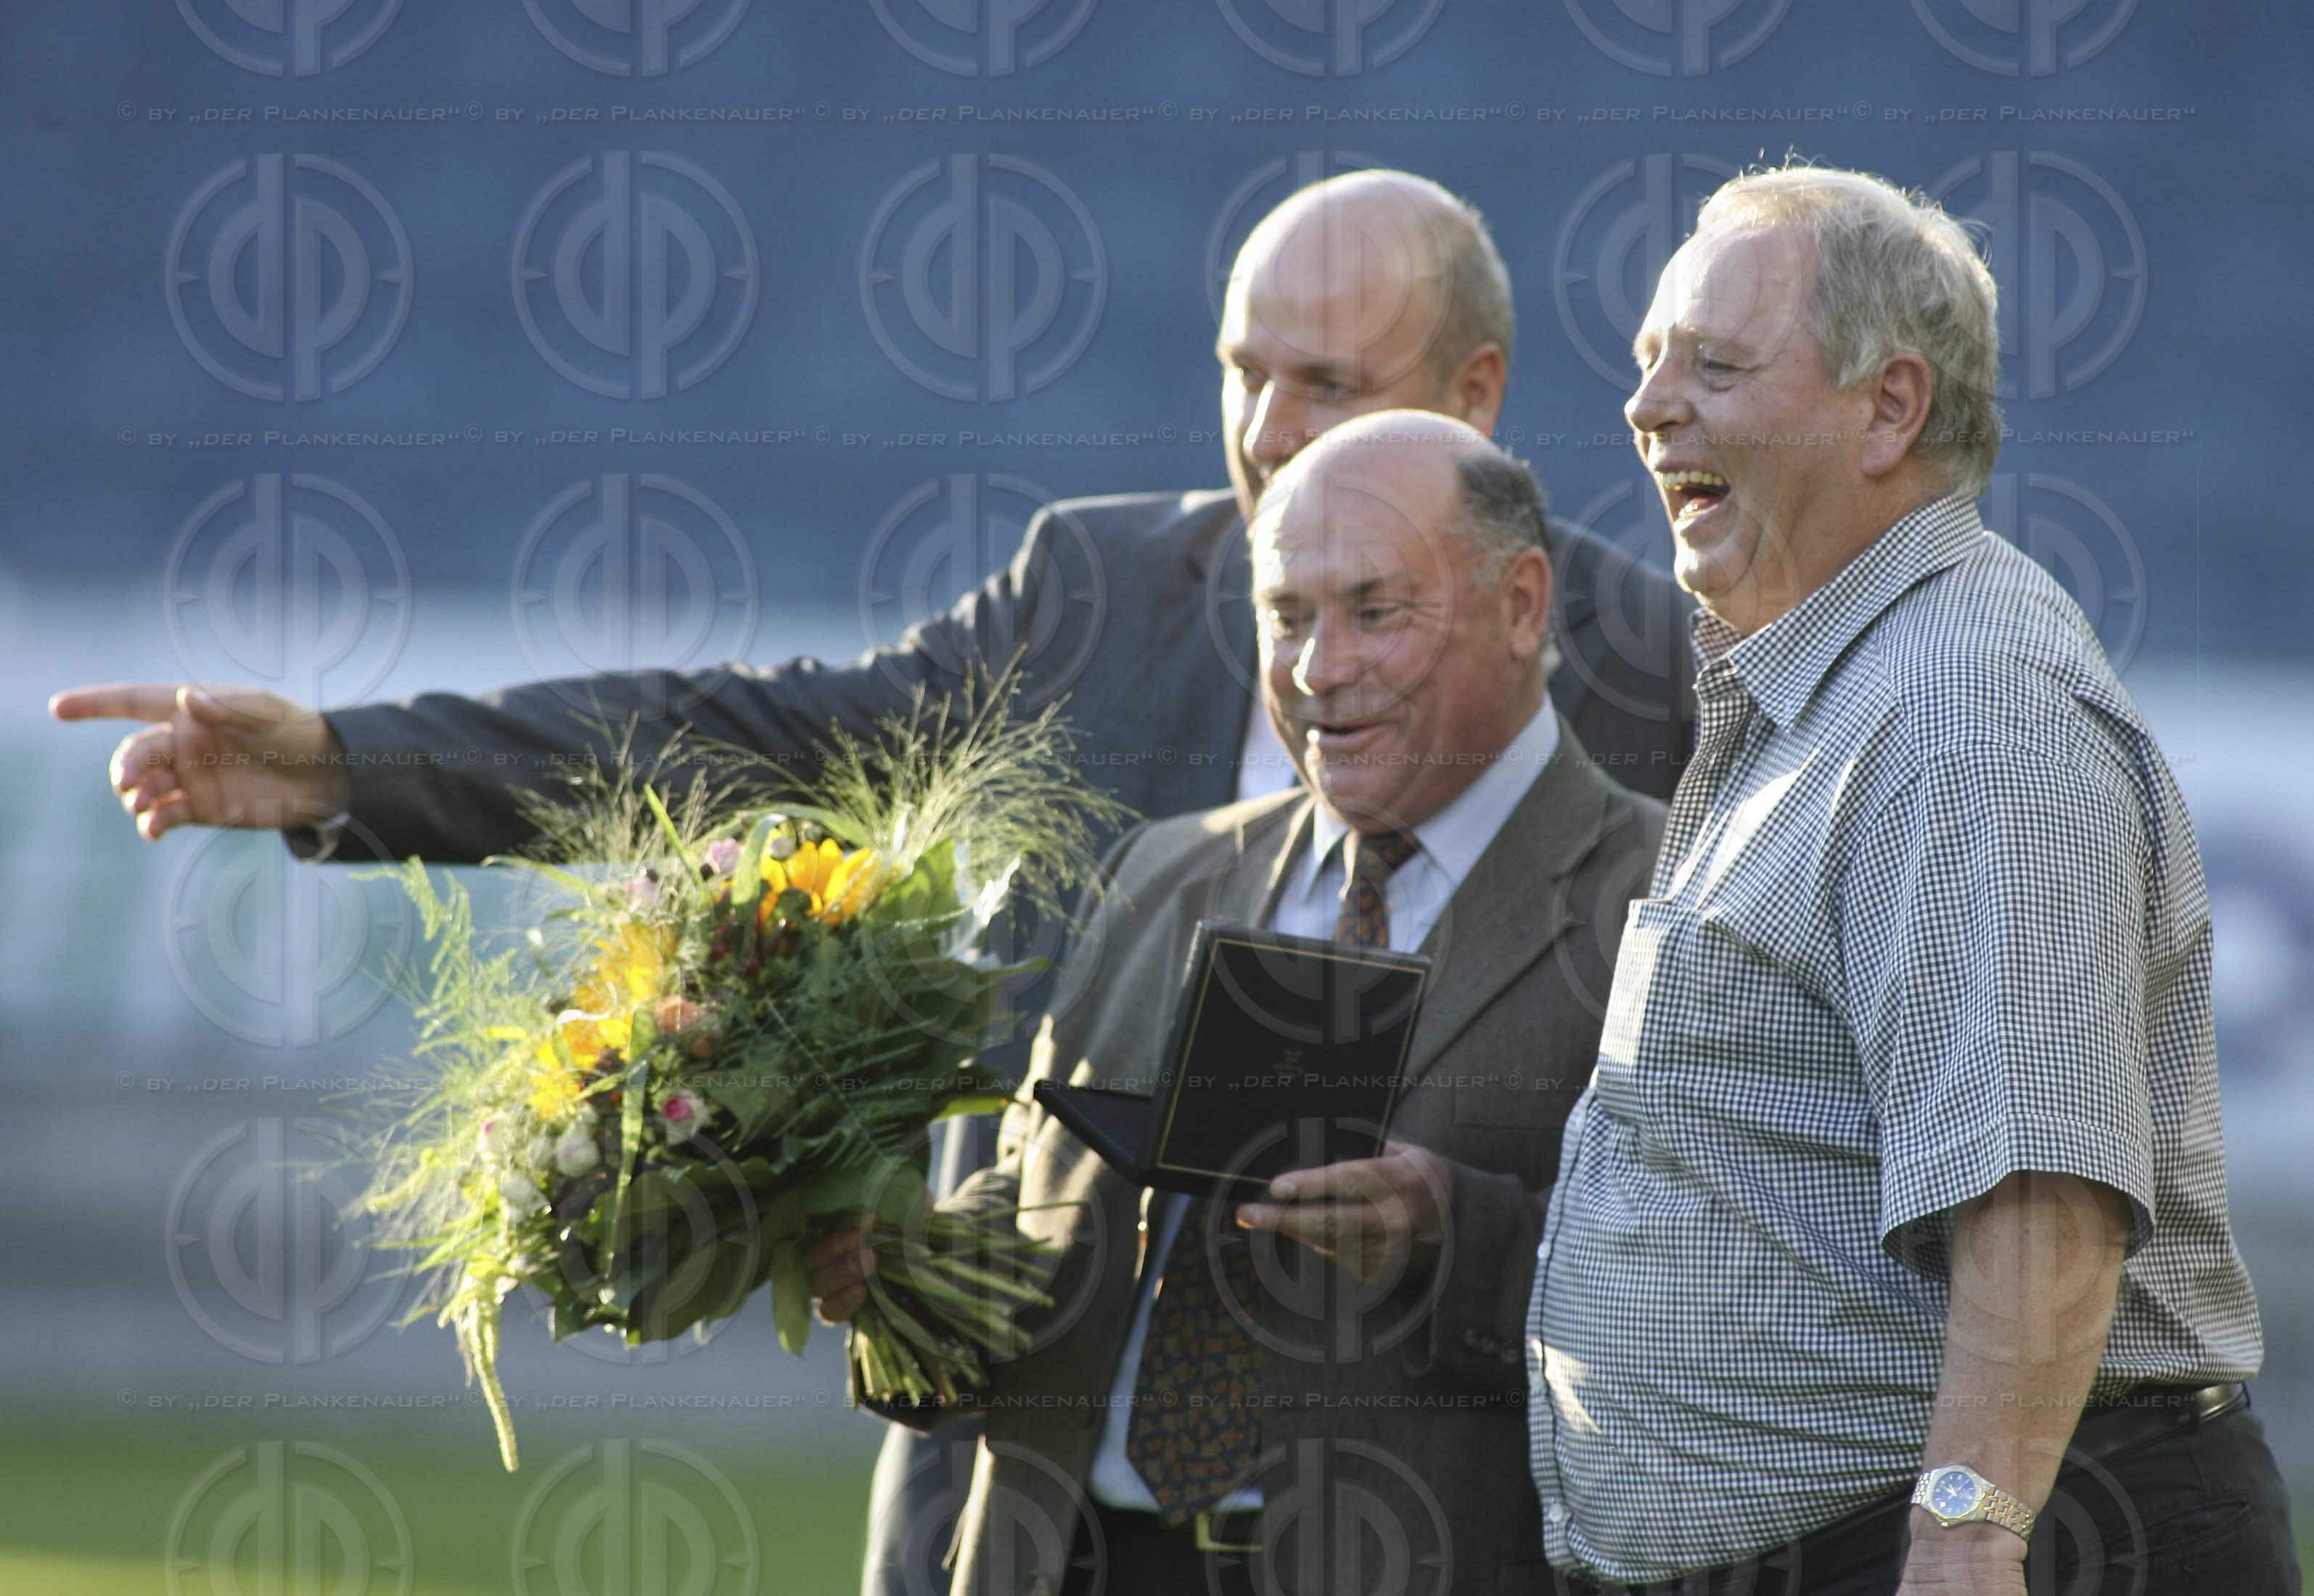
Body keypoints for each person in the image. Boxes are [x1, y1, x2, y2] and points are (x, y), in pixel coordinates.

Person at [52, 170, 1694, 1596]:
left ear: (1471, 396)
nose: (1265, 435)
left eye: (1324, 381)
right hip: (1041, 1509)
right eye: (1238, 372)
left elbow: (1733, 1212)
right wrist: (354, 763)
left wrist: (1466, 1235)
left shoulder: (1643, 687)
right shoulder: (1098, 599)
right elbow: (752, 741)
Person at [1523, 165, 2297, 1595]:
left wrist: (1963, 1528)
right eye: (1645, 363)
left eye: (1712, 364)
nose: (1646, 408)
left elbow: (2036, 1183)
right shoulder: (1846, 681)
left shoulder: (1962, 706)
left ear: (1889, 408)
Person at [811, 413, 1665, 1596]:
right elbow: (1041, 1219)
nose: (1318, 670)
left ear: (1521, 606)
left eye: (1374, 611)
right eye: (1286, 617)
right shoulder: (1160, 872)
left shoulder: (1669, 907)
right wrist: (903, 1273)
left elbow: (1724, 1296)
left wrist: (1449, 1233)